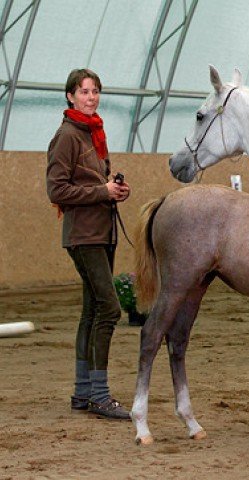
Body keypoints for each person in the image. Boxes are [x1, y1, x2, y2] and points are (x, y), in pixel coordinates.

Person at [46, 68, 132, 419]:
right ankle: (99, 394)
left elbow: (93, 181)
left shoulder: (93, 133)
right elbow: (56, 189)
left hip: (101, 231)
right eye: (84, 91)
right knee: (110, 309)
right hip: (84, 234)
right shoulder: (67, 136)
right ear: (70, 96)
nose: (91, 97)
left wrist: (114, 188)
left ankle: (83, 393)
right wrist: (101, 191)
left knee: (93, 311)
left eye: (95, 91)